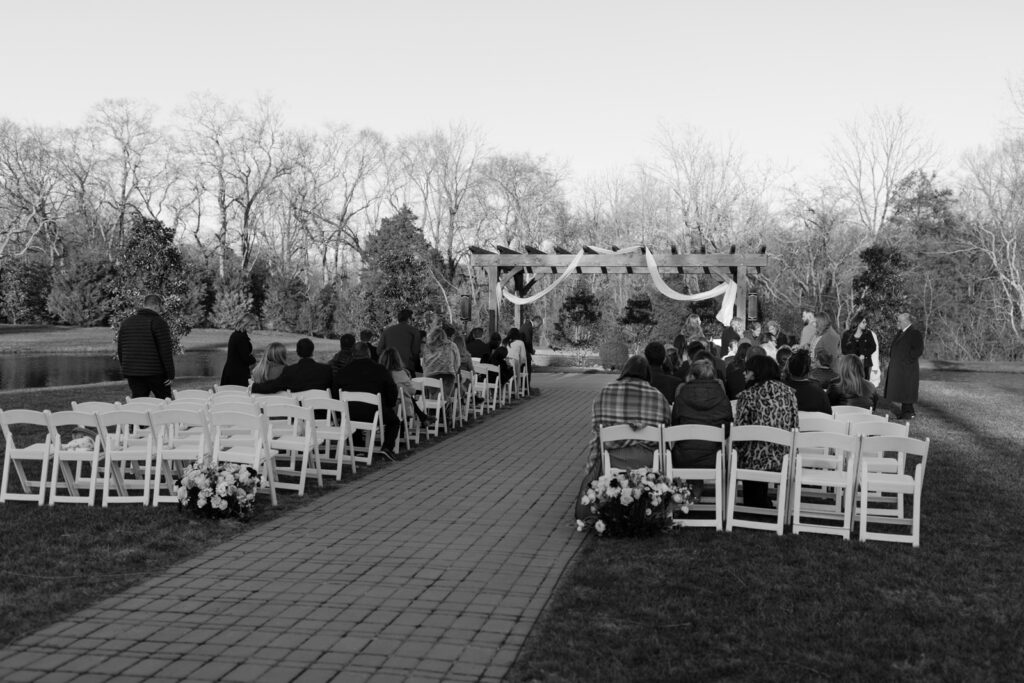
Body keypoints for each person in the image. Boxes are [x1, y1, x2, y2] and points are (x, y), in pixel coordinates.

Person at [734, 355, 798, 508]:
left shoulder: (747, 395)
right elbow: (795, 426)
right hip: (782, 458)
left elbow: (740, 431)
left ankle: (755, 501)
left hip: (752, 459)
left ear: (756, 373)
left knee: (743, 449)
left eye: (747, 371)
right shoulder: (789, 394)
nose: (744, 374)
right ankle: (761, 500)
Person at [587, 355, 671, 472]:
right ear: (647, 373)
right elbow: (666, 428)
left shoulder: (605, 392)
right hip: (649, 460)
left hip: (611, 457)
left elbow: (596, 427)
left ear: (625, 371)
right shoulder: (659, 397)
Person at [670, 359, 733, 500]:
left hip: (682, 458)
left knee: (690, 447)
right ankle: (694, 496)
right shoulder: (722, 396)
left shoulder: (682, 394)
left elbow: (674, 426)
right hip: (714, 458)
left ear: (691, 375)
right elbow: (728, 429)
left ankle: (688, 496)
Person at [334, 342, 400, 457]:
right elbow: (392, 393)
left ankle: (357, 448)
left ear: (353, 354)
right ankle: (387, 447)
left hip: (349, 414)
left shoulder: (343, 372)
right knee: (394, 421)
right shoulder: (380, 370)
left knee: (353, 410)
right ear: (369, 353)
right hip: (375, 413)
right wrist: (389, 404)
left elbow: (335, 395)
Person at [117, 294, 175, 399]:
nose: (160, 310)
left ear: (144, 305)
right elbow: (165, 351)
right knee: (166, 402)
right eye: (160, 307)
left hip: (133, 372)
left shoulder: (126, 322)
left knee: (139, 404)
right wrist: (170, 374)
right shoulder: (158, 322)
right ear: (156, 306)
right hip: (156, 372)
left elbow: (121, 349)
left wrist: (126, 370)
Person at [251, 338, 332, 394]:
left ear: (297, 352)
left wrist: (254, 387)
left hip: (299, 415)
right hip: (324, 414)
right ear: (312, 351)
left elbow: (273, 386)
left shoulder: (290, 371)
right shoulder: (326, 370)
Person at [884, 310, 924, 420]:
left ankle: (908, 412)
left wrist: (906, 361)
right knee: (903, 390)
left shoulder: (914, 333)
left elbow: (918, 350)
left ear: (906, 322)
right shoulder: (901, 333)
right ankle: (907, 411)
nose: (897, 323)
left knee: (907, 390)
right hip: (900, 368)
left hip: (907, 368)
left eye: (899, 321)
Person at [380, 347, 431, 428]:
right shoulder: (401, 373)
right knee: (405, 394)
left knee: (404, 394)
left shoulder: (379, 373)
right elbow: (412, 391)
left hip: (380, 406)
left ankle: (423, 417)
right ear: (397, 359)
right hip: (397, 406)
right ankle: (422, 417)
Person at [784, 349, 831, 413]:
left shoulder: (780, 391)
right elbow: (828, 415)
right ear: (809, 370)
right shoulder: (819, 393)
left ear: (788, 368)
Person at [421, 326, 459, 399]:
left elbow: (424, 363)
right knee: (443, 398)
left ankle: (436, 408)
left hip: (430, 375)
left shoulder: (427, 346)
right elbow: (457, 362)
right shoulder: (452, 345)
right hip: (448, 375)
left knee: (435, 397)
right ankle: (442, 407)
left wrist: (426, 373)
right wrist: (455, 372)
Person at [378, 308, 420, 375]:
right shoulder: (414, 331)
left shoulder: (387, 331)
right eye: (413, 319)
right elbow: (416, 352)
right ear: (409, 319)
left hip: (389, 368)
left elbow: (379, 351)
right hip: (407, 368)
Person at [219, 313, 257, 387]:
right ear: (245, 324)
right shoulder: (241, 338)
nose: (254, 327)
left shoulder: (236, 335)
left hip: (232, 371)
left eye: (254, 325)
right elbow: (245, 357)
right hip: (237, 374)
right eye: (251, 325)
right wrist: (254, 360)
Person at [841, 314, 877, 380]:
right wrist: (854, 356)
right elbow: (843, 349)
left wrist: (864, 354)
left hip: (865, 364)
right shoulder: (847, 334)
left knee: (864, 384)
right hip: (851, 365)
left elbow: (873, 347)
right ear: (857, 322)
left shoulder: (868, 333)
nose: (865, 324)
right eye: (863, 322)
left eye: (866, 322)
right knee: (851, 384)